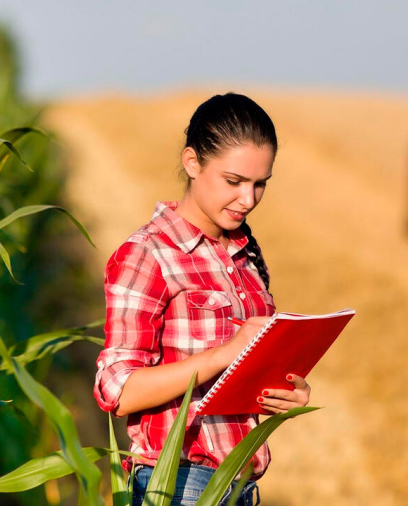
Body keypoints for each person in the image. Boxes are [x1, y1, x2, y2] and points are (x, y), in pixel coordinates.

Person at [93, 93, 311, 506]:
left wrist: (284, 392)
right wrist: (224, 354)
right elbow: (118, 390)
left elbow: (239, 377)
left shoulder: (247, 253)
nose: (248, 199)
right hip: (176, 486)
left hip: (242, 485)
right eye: (234, 182)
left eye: (259, 183)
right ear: (192, 162)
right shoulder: (148, 254)